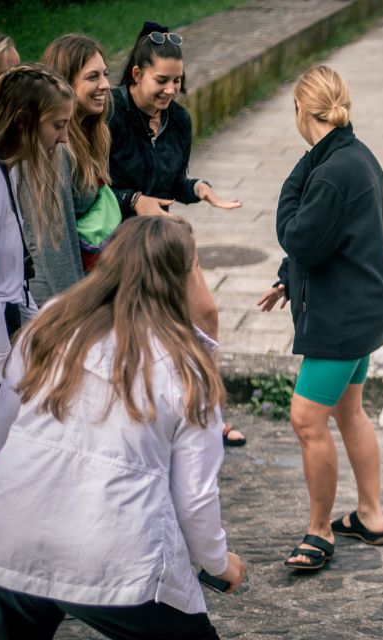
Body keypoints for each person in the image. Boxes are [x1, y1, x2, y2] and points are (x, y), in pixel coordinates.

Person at [0, 215, 245, 639]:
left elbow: (2, 433)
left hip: (8, 532)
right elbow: (195, 498)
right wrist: (220, 562)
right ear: (177, 279)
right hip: (114, 556)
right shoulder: (185, 367)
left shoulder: (50, 323)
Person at [256, 65, 383, 571]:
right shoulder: (353, 157)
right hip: (361, 307)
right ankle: (370, 515)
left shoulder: (333, 170)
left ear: (301, 110)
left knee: (306, 418)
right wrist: (288, 278)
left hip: (342, 318)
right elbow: (327, 242)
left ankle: (319, 532)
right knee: (348, 410)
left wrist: (302, 168)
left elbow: (298, 236)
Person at [109, 21, 245, 446]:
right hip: (119, 241)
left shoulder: (179, 121)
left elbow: (172, 184)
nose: (170, 90)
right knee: (136, 331)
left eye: (177, 81)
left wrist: (198, 189)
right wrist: (133, 200)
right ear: (137, 75)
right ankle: (138, 418)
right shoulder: (110, 113)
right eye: (161, 81)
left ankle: (208, 409)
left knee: (204, 314)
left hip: (166, 236)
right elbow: (87, 188)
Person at [0, 64, 74, 438]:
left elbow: (16, 277)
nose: (64, 138)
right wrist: (3, 364)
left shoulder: (8, 169)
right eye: (58, 125)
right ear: (25, 120)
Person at [32, 34, 111, 302]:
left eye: (105, 74)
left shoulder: (93, 134)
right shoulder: (56, 150)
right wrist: (77, 309)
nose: (105, 85)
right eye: (93, 77)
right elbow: (55, 243)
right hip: (59, 301)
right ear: (64, 83)